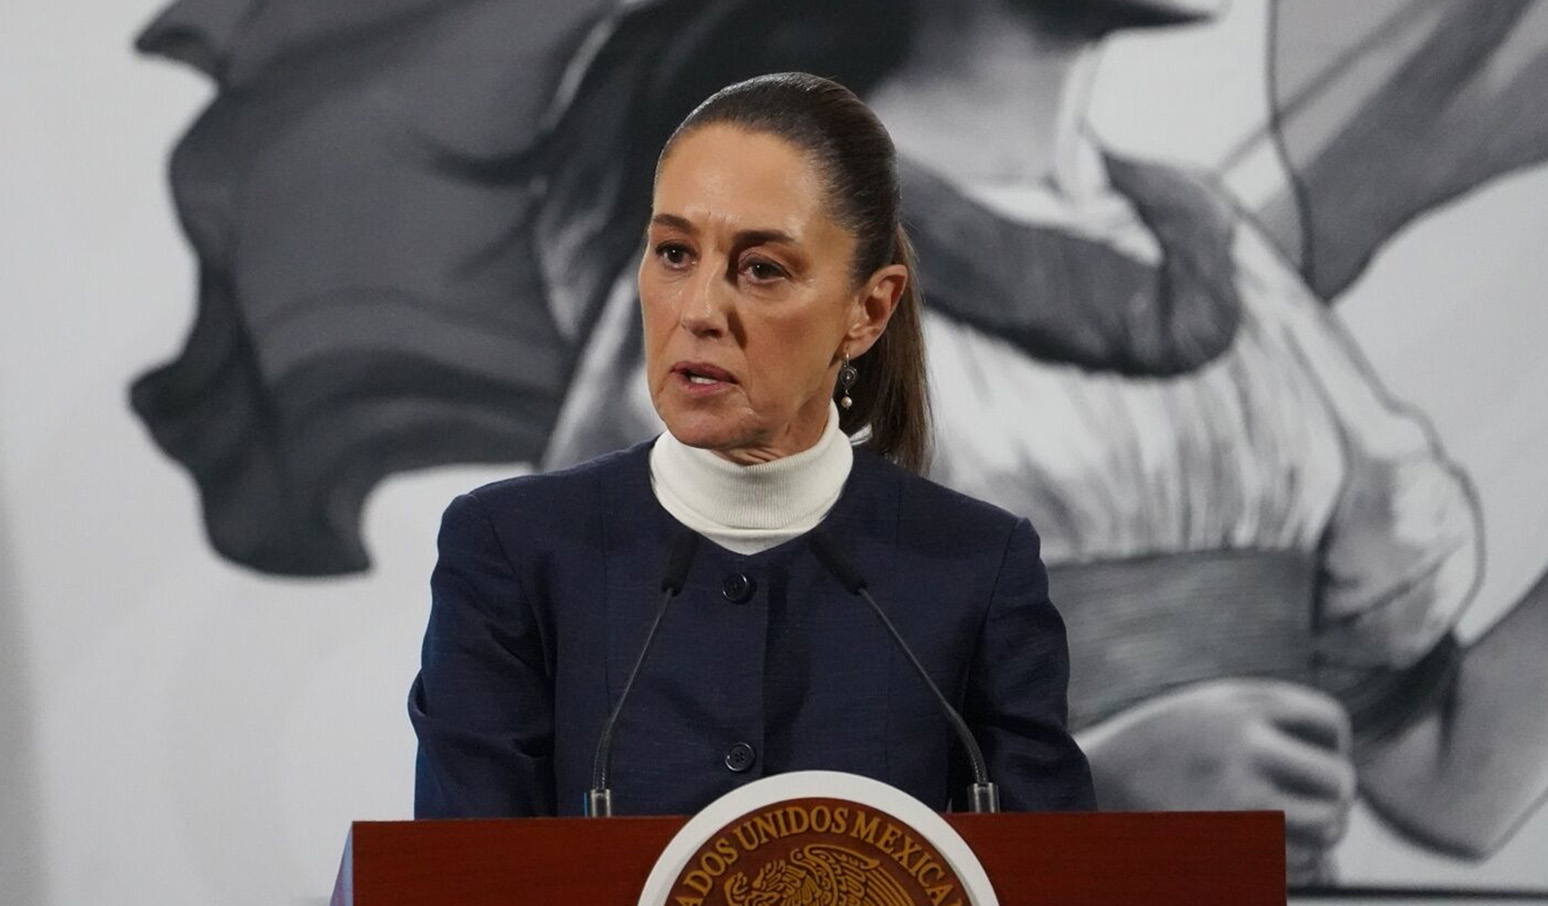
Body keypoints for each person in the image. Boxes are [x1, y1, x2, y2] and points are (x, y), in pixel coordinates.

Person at [408, 72, 1096, 817]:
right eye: (674, 253)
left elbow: (1053, 868)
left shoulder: (977, 570)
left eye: (762, 269)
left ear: (868, 311)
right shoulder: (512, 552)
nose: (699, 310)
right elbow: (463, 868)